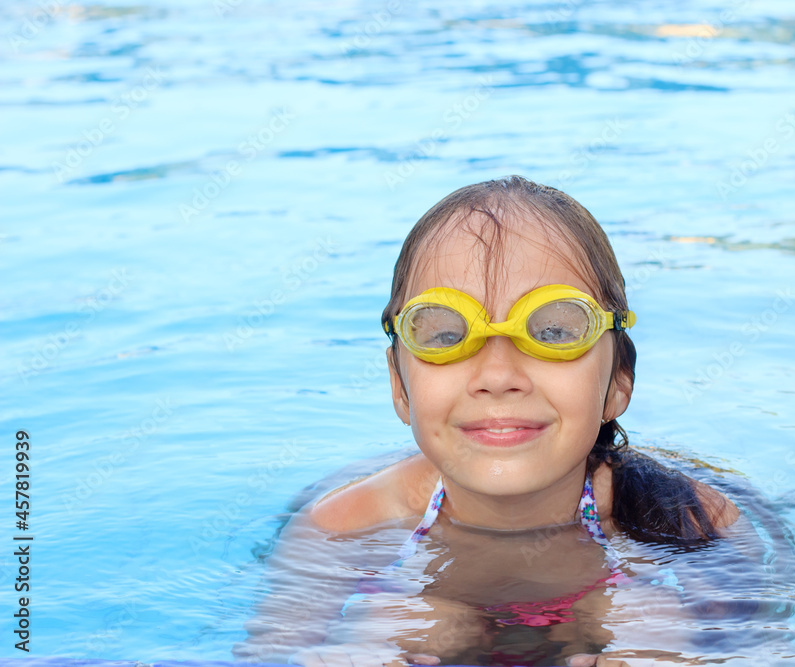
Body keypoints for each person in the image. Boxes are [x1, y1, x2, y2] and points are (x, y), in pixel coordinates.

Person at [234, 175, 742, 667]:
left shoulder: (694, 523)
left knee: (652, 619)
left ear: (617, 384)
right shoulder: (339, 530)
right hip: (422, 624)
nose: (498, 376)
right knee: (384, 621)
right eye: (445, 335)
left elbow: (767, 647)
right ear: (399, 386)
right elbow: (268, 651)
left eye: (554, 330)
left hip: (613, 613)